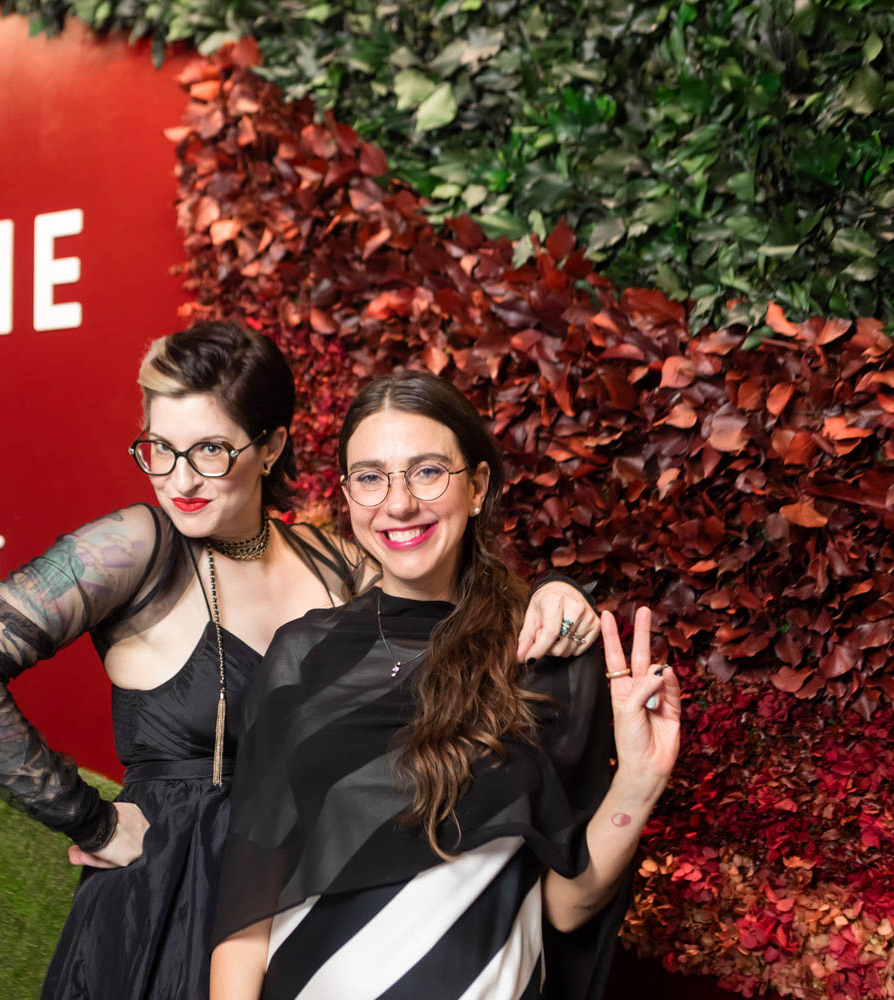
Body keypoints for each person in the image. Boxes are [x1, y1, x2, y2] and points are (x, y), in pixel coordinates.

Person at [0, 323, 601, 1000]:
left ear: (271, 448)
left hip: (297, 893)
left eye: (209, 450)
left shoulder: (334, 561)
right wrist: (89, 820)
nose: (180, 480)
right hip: (168, 895)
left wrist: (556, 592)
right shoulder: (139, 547)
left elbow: (442, 585)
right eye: (159, 450)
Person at [210, 370, 681, 1000]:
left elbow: (568, 906)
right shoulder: (303, 654)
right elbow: (248, 900)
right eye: (371, 477)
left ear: (478, 486)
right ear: (348, 496)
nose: (397, 503)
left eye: (427, 471)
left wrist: (640, 782)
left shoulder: (543, 652)